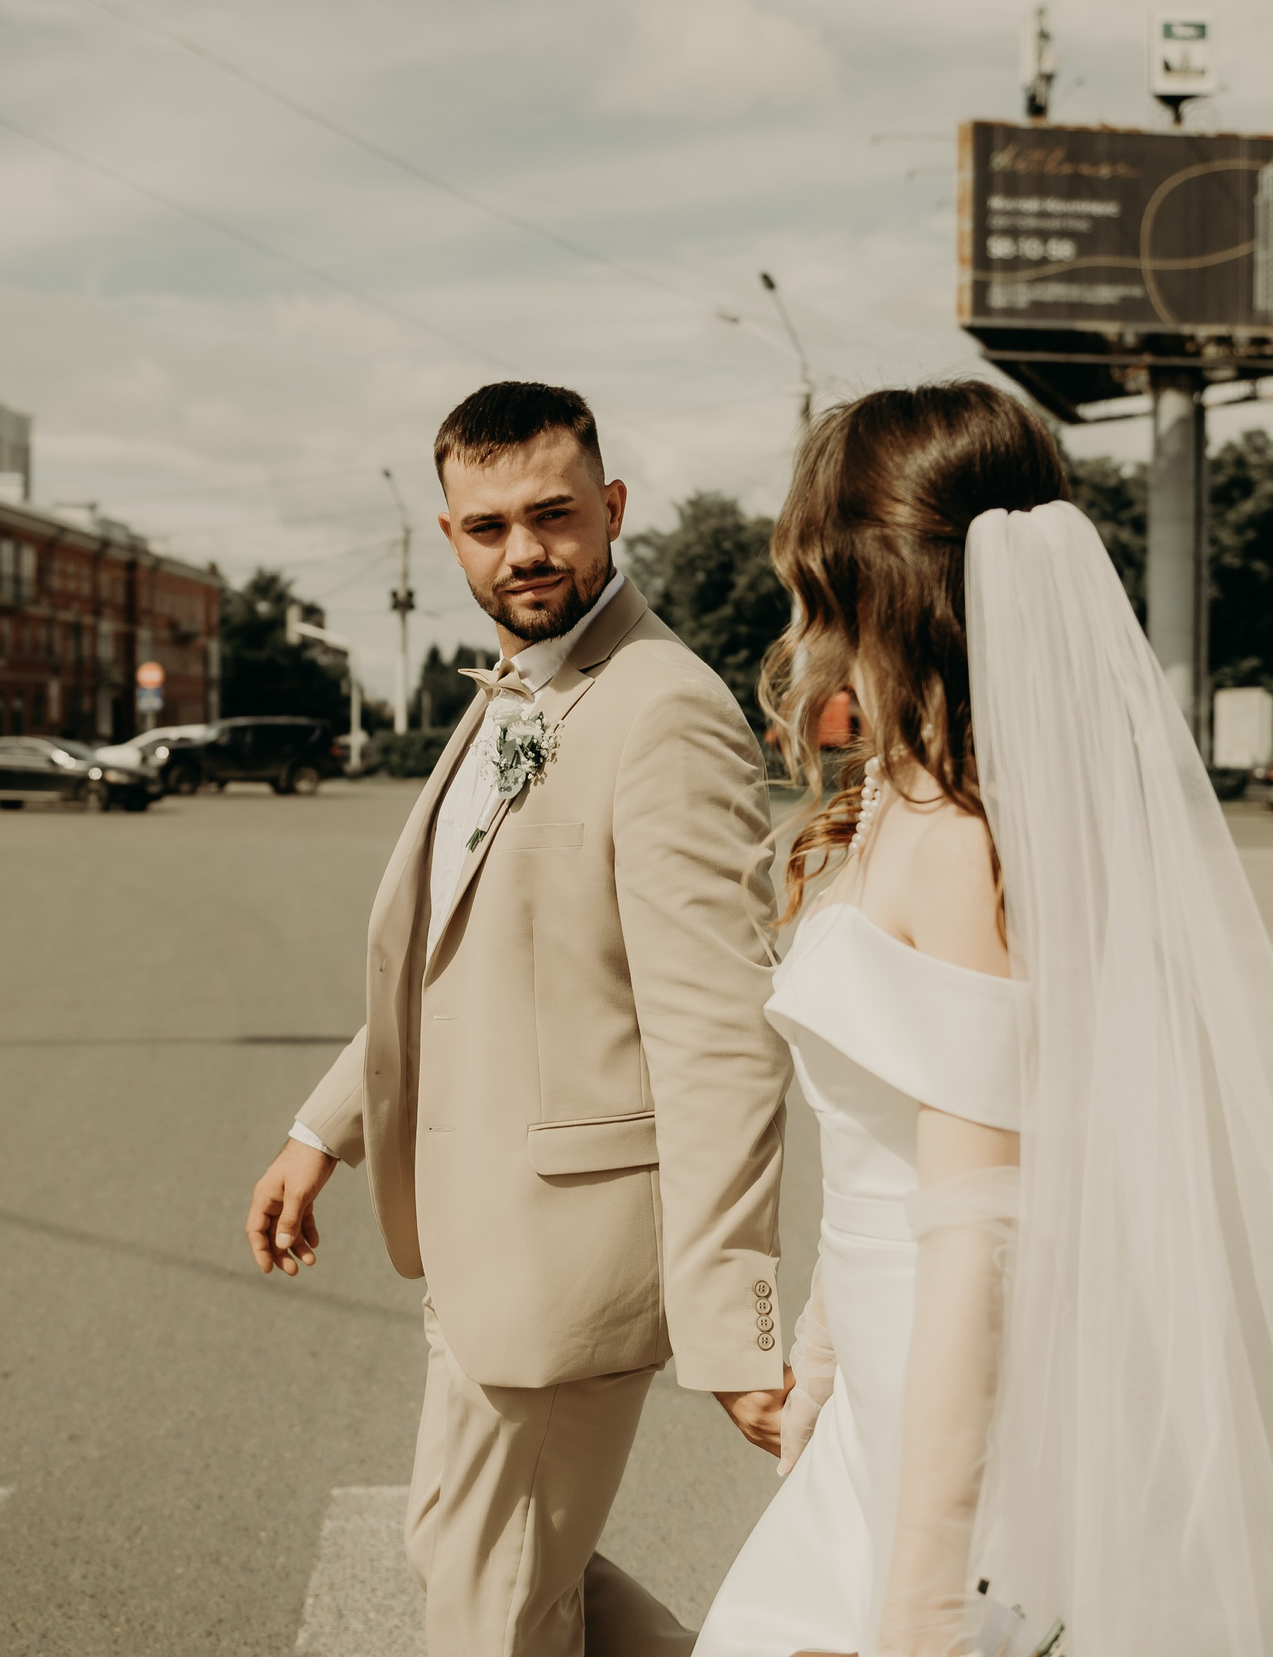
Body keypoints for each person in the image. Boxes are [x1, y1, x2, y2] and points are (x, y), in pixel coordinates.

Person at [697, 383, 1273, 1657]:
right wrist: (828, 1359)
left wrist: (919, 1607)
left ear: (871, 583)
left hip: (960, 1420)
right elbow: (879, 1146)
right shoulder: (893, 799)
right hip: (882, 1385)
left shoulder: (963, 841)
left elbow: (978, 1235)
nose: (799, 612)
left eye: (811, 573)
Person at [244, 381, 794, 1657]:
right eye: (487, 527)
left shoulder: (660, 709)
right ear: (449, 537)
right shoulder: (520, 692)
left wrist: (732, 1323)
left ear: (609, 510)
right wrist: (321, 1131)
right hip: (483, 1244)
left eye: (552, 516)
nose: (524, 551)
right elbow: (455, 958)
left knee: (492, 1609)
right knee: (470, 1556)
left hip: (570, 1263)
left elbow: (721, 1039)